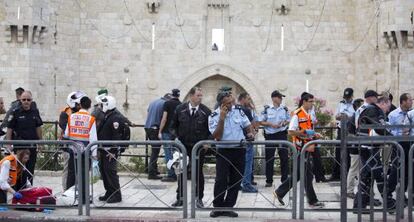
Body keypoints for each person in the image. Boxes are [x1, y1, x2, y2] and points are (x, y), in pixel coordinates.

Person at [273, 92, 324, 208]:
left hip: (307, 147)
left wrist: (315, 134)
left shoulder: (308, 115)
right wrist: (302, 133)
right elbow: (291, 131)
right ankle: (312, 201)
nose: (312, 104)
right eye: (310, 102)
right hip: (300, 149)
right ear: (304, 101)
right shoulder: (297, 114)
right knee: (306, 175)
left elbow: (307, 130)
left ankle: (280, 192)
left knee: (301, 175)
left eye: (313, 102)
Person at [208, 91, 254, 218]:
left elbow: (248, 125)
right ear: (221, 103)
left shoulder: (239, 111)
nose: (230, 104)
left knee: (236, 180)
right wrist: (222, 119)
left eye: (231, 101)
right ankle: (218, 207)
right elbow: (217, 136)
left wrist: (250, 133)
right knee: (221, 180)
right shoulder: (214, 116)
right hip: (224, 151)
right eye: (227, 102)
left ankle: (228, 207)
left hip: (239, 150)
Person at [353, 92, 396, 212]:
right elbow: (379, 128)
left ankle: (359, 206)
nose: (388, 110)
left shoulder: (370, 109)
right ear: (383, 103)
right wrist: (393, 138)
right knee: (379, 175)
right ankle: (389, 203)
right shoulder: (374, 110)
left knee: (367, 177)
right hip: (368, 148)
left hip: (368, 147)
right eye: (388, 106)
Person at [170, 87, 211, 207]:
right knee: (181, 172)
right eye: (198, 95)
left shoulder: (205, 111)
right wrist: (175, 138)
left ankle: (199, 199)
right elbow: (173, 126)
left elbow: (211, 130)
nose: (200, 98)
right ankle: (180, 198)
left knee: (198, 173)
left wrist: (207, 141)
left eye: (201, 95)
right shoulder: (180, 109)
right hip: (183, 147)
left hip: (198, 148)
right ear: (191, 96)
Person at [64, 96, 97, 203]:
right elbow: (93, 139)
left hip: (73, 150)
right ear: (89, 106)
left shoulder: (71, 117)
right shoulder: (91, 119)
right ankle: (83, 197)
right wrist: (95, 153)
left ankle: (69, 195)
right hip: (85, 151)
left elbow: (66, 134)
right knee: (84, 174)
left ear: (80, 105)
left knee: (72, 172)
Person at [6, 91, 43, 184]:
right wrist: (8, 143)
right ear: (20, 100)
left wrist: (40, 142)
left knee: (30, 169)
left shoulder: (35, 112)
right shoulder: (15, 112)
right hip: (19, 146)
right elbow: (9, 128)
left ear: (31, 100)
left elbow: (38, 127)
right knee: (19, 169)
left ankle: (29, 191)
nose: (26, 101)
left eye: (28, 100)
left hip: (32, 146)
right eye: (24, 99)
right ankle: (18, 191)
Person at [97, 96, 127, 203]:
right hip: (104, 149)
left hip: (110, 151)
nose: (100, 106)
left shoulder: (115, 118)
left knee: (111, 172)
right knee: (104, 172)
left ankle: (116, 195)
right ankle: (109, 192)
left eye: (102, 104)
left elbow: (116, 136)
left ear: (107, 105)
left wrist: (113, 151)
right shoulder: (107, 116)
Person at [259, 90, 290, 187]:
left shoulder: (284, 109)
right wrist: (271, 124)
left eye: (281, 98)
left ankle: (284, 179)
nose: (281, 99)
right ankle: (269, 180)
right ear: (274, 98)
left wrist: (284, 123)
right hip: (270, 136)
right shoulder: (266, 109)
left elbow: (288, 119)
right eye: (279, 97)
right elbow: (260, 121)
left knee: (284, 158)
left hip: (281, 135)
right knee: (269, 159)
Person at [388, 93, 413, 204]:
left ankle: (403, 194)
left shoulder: (411, 114)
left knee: (408, 170)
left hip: (410, 145)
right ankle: (388, 192)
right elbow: (389, 130)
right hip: (398, 144)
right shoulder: (393, 114)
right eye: (409, 100)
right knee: (396, 169)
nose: (411, 102)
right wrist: (400, 133)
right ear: (403, 101)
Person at [59, 91, 84, 190]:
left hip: (78, 146)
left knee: (77, 170)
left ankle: (75, 189)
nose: (80, 105)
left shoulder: (80, 113)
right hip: (67, 146)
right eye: (78, 103)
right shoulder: (65, 113)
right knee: (67, 169)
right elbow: (65, 129)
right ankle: (66, 190)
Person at [329, 88, 355, 182]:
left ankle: (346, 174)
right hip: (341, 129)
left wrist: (348, 117)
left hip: (350, 130)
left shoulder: (355, 105)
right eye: (345, 97)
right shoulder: (341, 103)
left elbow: (356, 117)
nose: (347, 99)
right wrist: (340, 116)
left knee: (348, 153)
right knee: (338, 151)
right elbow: (336, 116)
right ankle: (336, 174)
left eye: (348, 97)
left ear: (352, 96)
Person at [144, 93, 171, 180]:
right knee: (155, 151)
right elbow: (164, 118)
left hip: (148, 127)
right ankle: (151, 173)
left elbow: (148, 114)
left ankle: (153, 170)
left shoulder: (153, 102)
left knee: (154, 150)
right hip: (155, 128)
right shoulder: (164, 104)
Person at [159, 89, 181, 182]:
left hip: (167, 131)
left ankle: (171, 174)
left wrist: (160, 131)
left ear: (172, 95)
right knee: (176, 153)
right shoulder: (181, 104)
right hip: (176, 132)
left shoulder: (167, 103)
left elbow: (164, 118)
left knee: (168, 153)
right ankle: (177, 172)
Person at [238, 92, 259, 193]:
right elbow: (253, 124)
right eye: (248, 99)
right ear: (242, 99)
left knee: (240, 163)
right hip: (247, 139)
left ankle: (239, 183)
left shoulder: (235, 109)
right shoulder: (246, 110)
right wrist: (253, 109)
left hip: (239, 140)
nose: (249, 101)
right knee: (248, 163)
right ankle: (246, 184)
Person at [345, 98, 364, 199]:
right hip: (355, 148)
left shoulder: (360, 117)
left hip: (361, 147)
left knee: (361, 170)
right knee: (353, 169)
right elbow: (350, 134)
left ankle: (361, 190)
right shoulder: (353, 118)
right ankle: (349, 190)